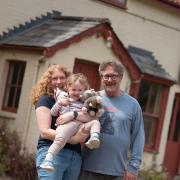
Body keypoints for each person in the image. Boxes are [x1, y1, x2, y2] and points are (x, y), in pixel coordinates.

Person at [77, 60, 145, 180]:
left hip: (117, 172)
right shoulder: (92, 98)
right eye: (106, 76)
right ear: (101, 77)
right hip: (87, 167)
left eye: (113, 76)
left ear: (121, 77)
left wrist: (133, 167)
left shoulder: (133, 105)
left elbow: (138, 137)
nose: (109, 80)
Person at [31, 65, 88, 180]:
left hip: (74, 157)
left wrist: (73, 115)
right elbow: (45, 132)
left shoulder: (79, 101)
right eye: (54, 78)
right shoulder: (46, 100)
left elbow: (90, 118)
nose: (59, 81)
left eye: (62, 78)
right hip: (52, 153)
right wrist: (74, 140)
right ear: (48, 81)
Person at [40, 73, 101, 172]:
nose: (76, 92)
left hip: (80, 126)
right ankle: (48, 158)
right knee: (60, 139)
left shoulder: (85, 102)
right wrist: (59, 103)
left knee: (96, 123)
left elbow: (95, 114)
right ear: (68, 88)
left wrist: (94, 98)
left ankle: (94, 137)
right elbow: (53, 113)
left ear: (84, 90)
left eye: (80, 90)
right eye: (73, 90)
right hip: (67, 125)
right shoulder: (64, 100)